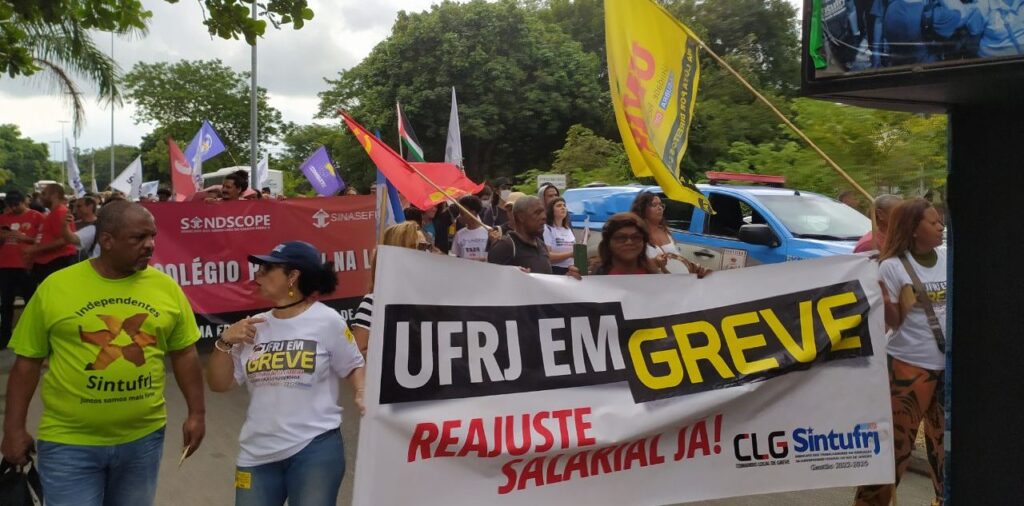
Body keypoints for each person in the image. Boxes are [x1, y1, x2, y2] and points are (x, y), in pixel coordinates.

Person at [1, 200, 206, 506]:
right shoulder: (56, 287)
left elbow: (185, 353)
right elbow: (27, 364)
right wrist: (13, 430)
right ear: (107, 241)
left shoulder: (166, 288)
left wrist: (197, 413)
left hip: (143, 441)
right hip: (69, 443)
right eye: (138, 238)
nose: (149, 245)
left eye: (152, 236)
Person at [206, 241, 365, 506]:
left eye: (267, 269)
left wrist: (361, 392)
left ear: (293, 276)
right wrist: (225, 342)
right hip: (256, 454)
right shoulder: (252, 327)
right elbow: (218, 384)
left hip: (315, 450)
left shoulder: (327, 321)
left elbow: (353, 364)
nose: (257, 275)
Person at [854, 198, 946, 506]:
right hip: (908, 369)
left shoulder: (949, 257)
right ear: (914, 229)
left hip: (948, 369)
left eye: (940, 221)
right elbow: (892, 323)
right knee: (893, 450)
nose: (941, 226)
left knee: (944, 449)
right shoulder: (891, 266)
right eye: (933, 223)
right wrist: (882, 297)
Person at [350, 222, 432, 356]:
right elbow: (357, 354)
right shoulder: (375, 302)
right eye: (421, 247)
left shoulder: (434, 298)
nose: (428, 252)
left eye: (428, 246)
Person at [0, 191, 44, 348]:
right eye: (10, 205)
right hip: (5, 265)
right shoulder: (4, 218)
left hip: (27, 265)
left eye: (16, 204)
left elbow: (43, 240)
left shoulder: (37, 217)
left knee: (30, 303)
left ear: (24, 201)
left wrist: (26, 238)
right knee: (6, 303)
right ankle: (4, 337)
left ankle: (32, 336)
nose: (13, 208)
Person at [630, 191, 709, 277]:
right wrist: (655, 262)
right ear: (642, 209)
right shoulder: (635, 236)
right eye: (654, 205)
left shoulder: (666, 231)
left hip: (673, 283)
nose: (659, 208)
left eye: (661, 205)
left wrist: (692, 267)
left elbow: (677, 259)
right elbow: (631, 266)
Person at [24, 183, 78, 285]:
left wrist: (36, 249)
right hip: (47, 263)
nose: (40, 197)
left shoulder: (60, 212)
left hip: (57, 262)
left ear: (54, 195)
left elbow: (64, 240)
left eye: (44, 194)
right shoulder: (53, 213)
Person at [450, 195, 489, 261]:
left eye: (462, 213)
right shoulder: (459, 234)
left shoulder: (489, 232)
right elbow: (455, 258)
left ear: (473, 213)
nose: (459, 216)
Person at [543, 197, 576, 275]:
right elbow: (548, 256)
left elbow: (575, 251)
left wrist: (584, 238)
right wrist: (570, 254)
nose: (563, 207)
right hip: (556, 270)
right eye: (559, 206)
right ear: (551, 210)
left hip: (571, 269)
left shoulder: (567, 229)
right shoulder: (547, 228)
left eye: (564, 205)